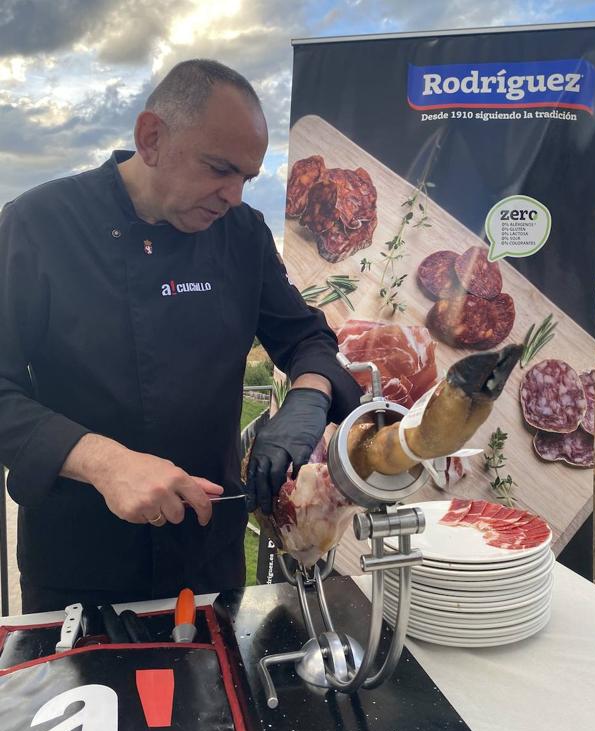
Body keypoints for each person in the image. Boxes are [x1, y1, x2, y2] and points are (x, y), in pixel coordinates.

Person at [0, 59, 362, 613]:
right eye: (219, 169)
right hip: (79, 565)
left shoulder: (240, 235)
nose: (234, 196)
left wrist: (309, 396)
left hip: (208, 554)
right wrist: (102, 461)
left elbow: (306, 335)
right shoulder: (38, 225)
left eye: (246, 177)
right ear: (151, 138)